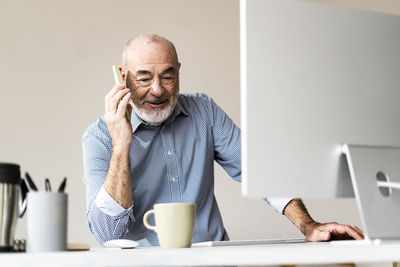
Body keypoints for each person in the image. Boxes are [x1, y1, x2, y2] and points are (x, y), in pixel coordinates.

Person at [82, 34, 364, 246]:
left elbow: (258, 170)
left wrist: (308, 225)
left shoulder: (203, 111)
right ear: (122, 77)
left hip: (213, 262)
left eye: (168, 76)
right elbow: (107, 233)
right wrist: (121, 145)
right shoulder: (98, 139)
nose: (157, 90)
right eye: (143, 78)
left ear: (178, 72)